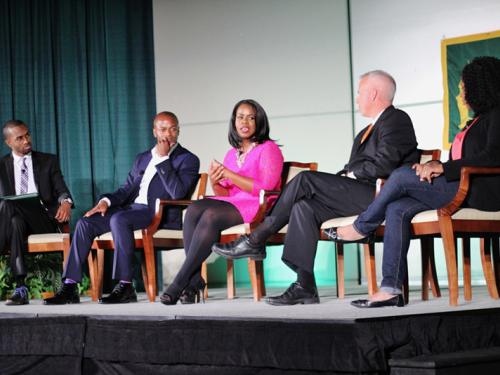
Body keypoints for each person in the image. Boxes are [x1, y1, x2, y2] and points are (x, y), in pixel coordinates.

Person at [212, 71, 419, 306]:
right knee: (304, 207)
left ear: (373, 94)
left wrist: (351, 174)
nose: (357, 98)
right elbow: (353, 167)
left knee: (306, 180)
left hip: (380, 195)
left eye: (360, 92)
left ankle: (257, 238)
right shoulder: (364, 133)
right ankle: (305, 285)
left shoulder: (396, 119)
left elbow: (385, 164)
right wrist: (347, 174)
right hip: (357, 193)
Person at [330, 56, 500, 308]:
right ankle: (390, 289)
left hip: (482, 192)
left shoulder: (498, 114)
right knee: (396, 208)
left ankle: (362, 226)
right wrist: (433, 168)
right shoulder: (477, 120)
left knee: (400, 175)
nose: (461, 91)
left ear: (480, 86)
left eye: (464, 86)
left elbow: (492, 156)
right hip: (461, 187)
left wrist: (441, 166)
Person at [44, 111, 200, 304]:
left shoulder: (188, 159)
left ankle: (125, 285)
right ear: (154, 132)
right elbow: (126, 189)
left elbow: (178, 193)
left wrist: (164, 160)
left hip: (158, 214)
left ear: (178, 131)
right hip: (131, 210)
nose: (167, 134)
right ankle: (69, 285)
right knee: (85, 223)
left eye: (172, 129)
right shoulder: (143, 158)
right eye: (163, 129)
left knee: (119, 219)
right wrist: (105, 202)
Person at [160, 99, 284, 305]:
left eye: (251, 117)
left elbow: (265, 187)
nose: (245, 121)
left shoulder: (269, 149)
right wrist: (216, 180)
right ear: (234, 122)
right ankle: (193, 280)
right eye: (240, 117)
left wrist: (229, 174)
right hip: (235, 204)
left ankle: (181, 281)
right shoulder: (231, 154)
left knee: (210, 215)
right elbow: (226, 195)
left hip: (258, 206)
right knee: (195, 208)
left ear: (259, 121)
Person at [0, 120, 73, 305]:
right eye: (20, 138)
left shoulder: (48, 161)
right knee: (14, 218)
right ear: (9, 142)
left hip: (43, 219)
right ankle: (21, 287)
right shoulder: (1, 166)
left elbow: (61, 189)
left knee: (8, 206)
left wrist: (65, 202)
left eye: (28, 135)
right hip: (16, 224)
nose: (26, 140)